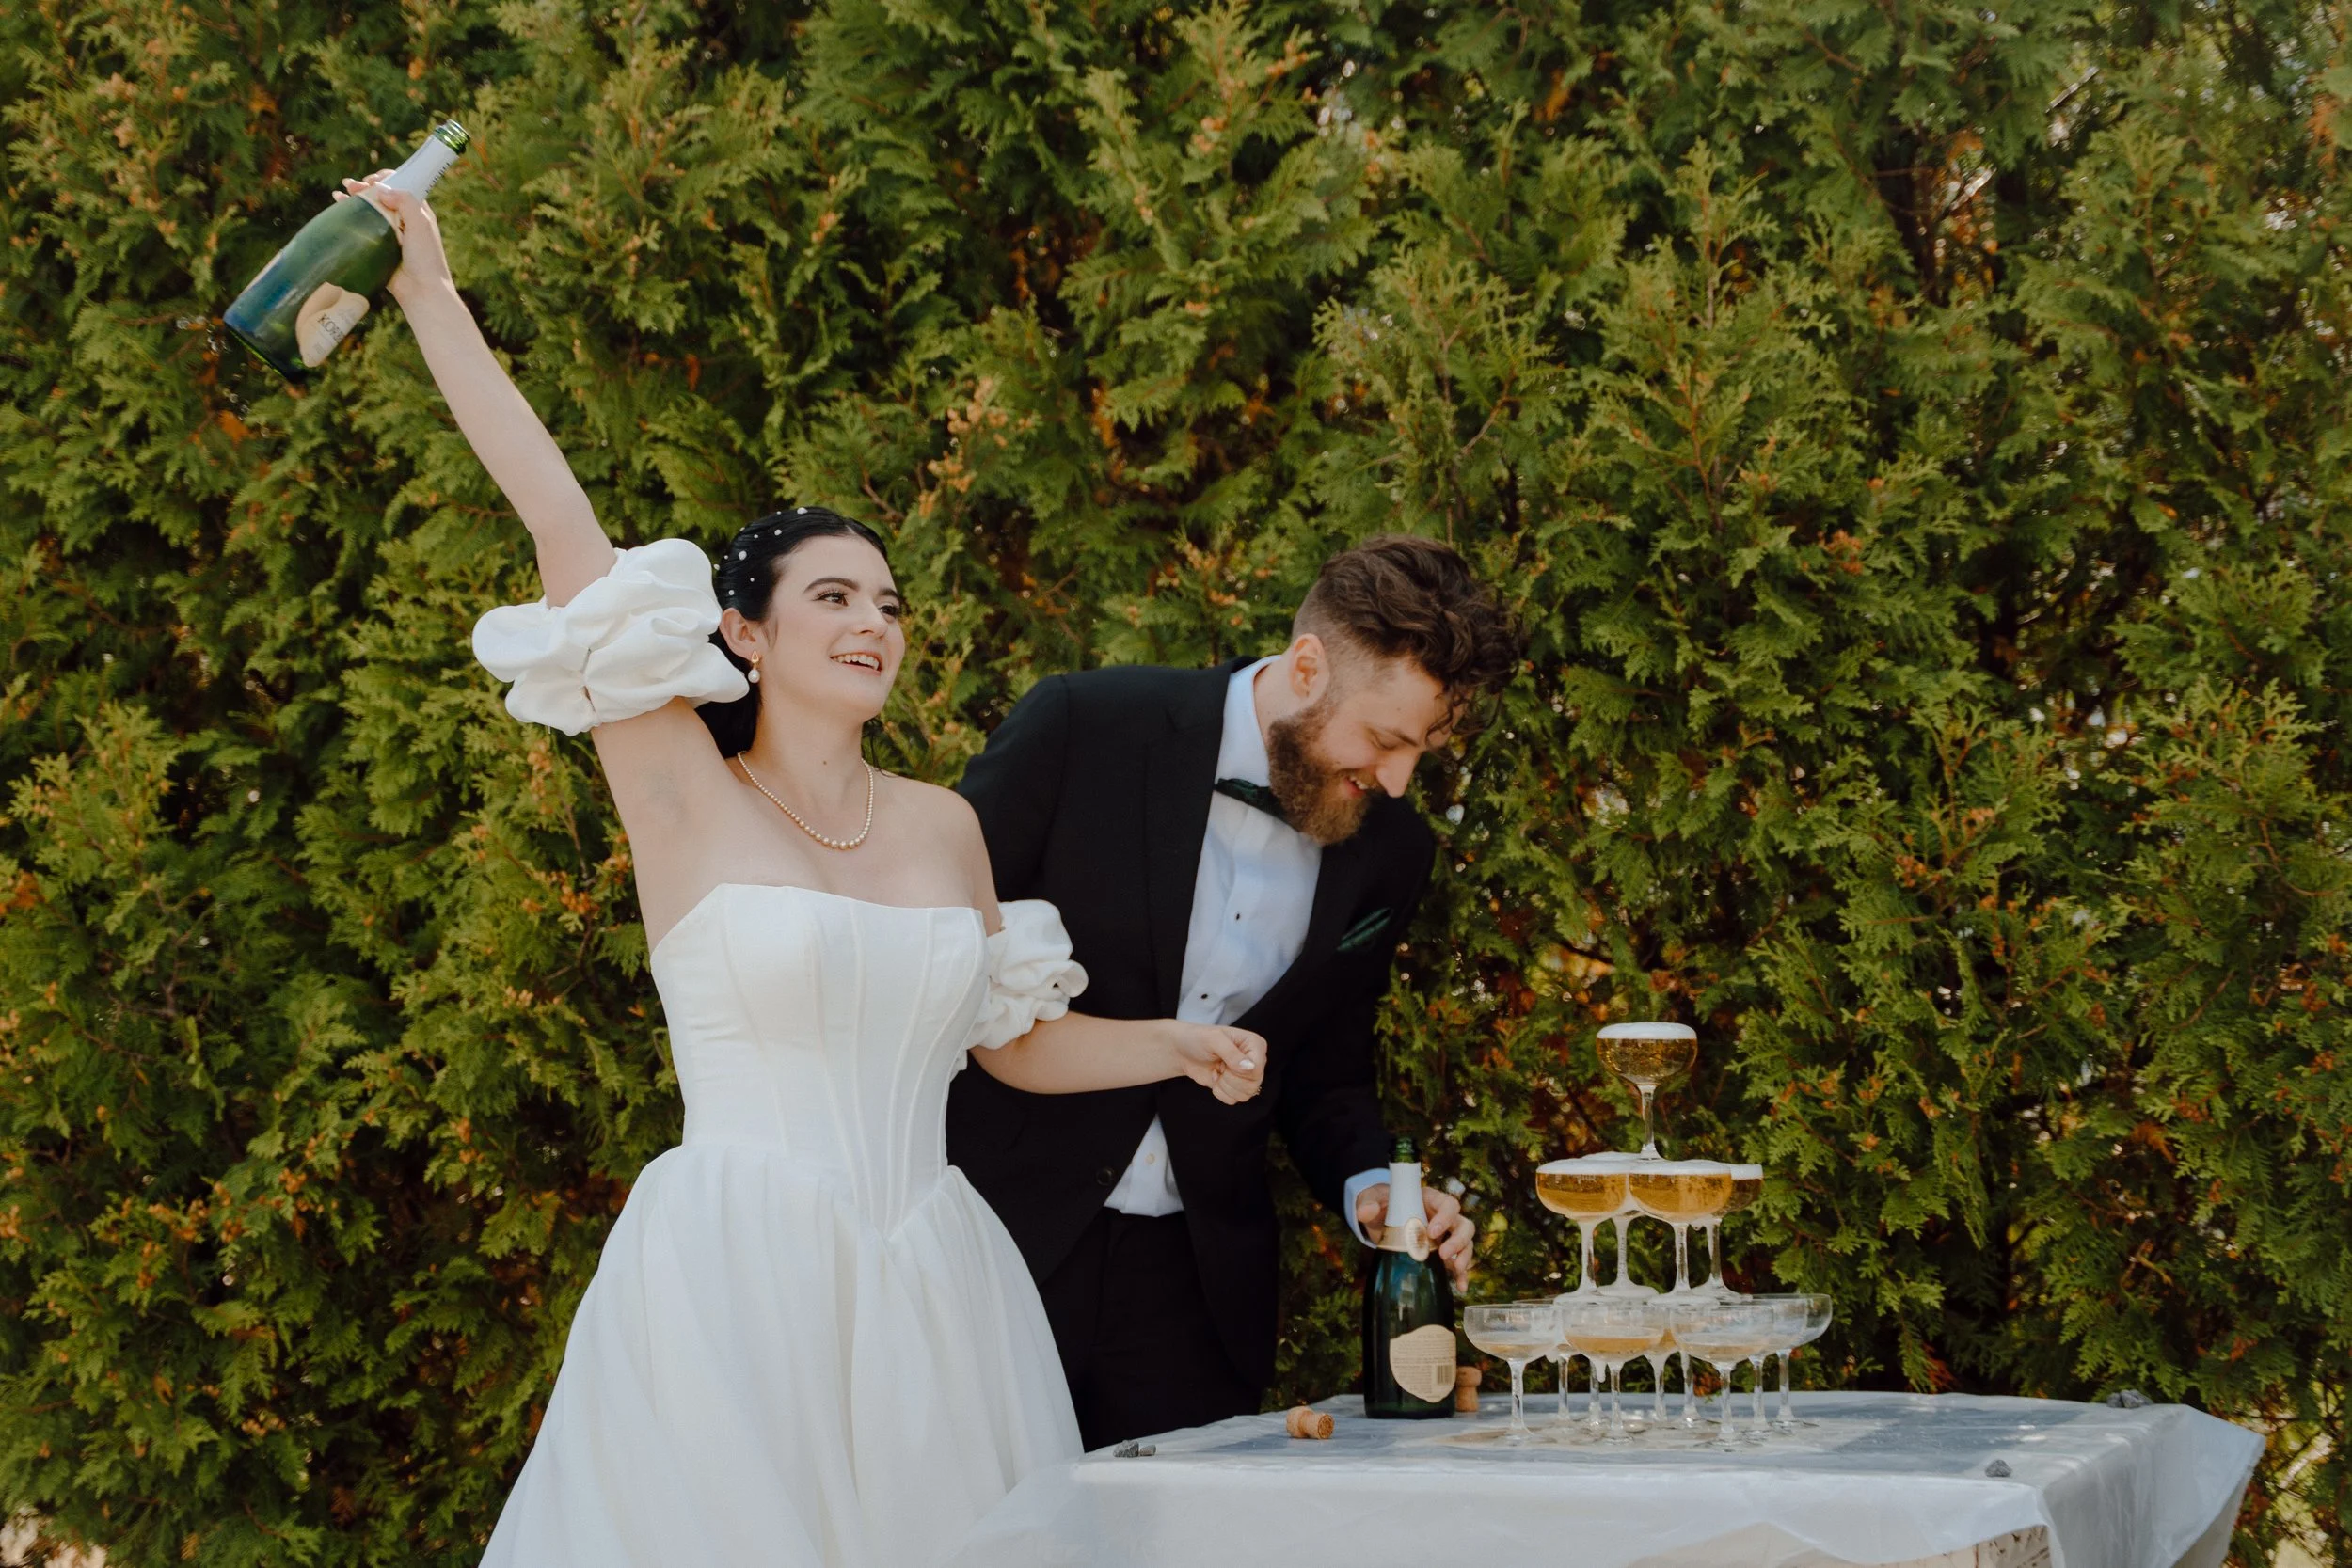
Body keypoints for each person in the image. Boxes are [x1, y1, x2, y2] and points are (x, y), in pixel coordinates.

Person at [345, 171, 1271, 1566]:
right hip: (735, 1274)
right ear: (746, 634)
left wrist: (1174, 1044)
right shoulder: (679, 790)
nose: (872, 621)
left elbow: (1008, 1045)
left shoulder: (942, 826)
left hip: (934, 1282)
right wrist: (428, 291)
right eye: (832, 595)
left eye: (888, 602)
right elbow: (559, 522)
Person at [946, 536, 1522, 1449]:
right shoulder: (1082, 726)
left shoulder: (1393, 850)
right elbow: (934, 960)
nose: (1397, 780)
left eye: (1422, 750)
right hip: (995, 1246)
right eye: (1384, 739)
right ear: (1307, 666)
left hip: (1195, 1298)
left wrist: (1375, 1187)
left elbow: (1328, 1073)